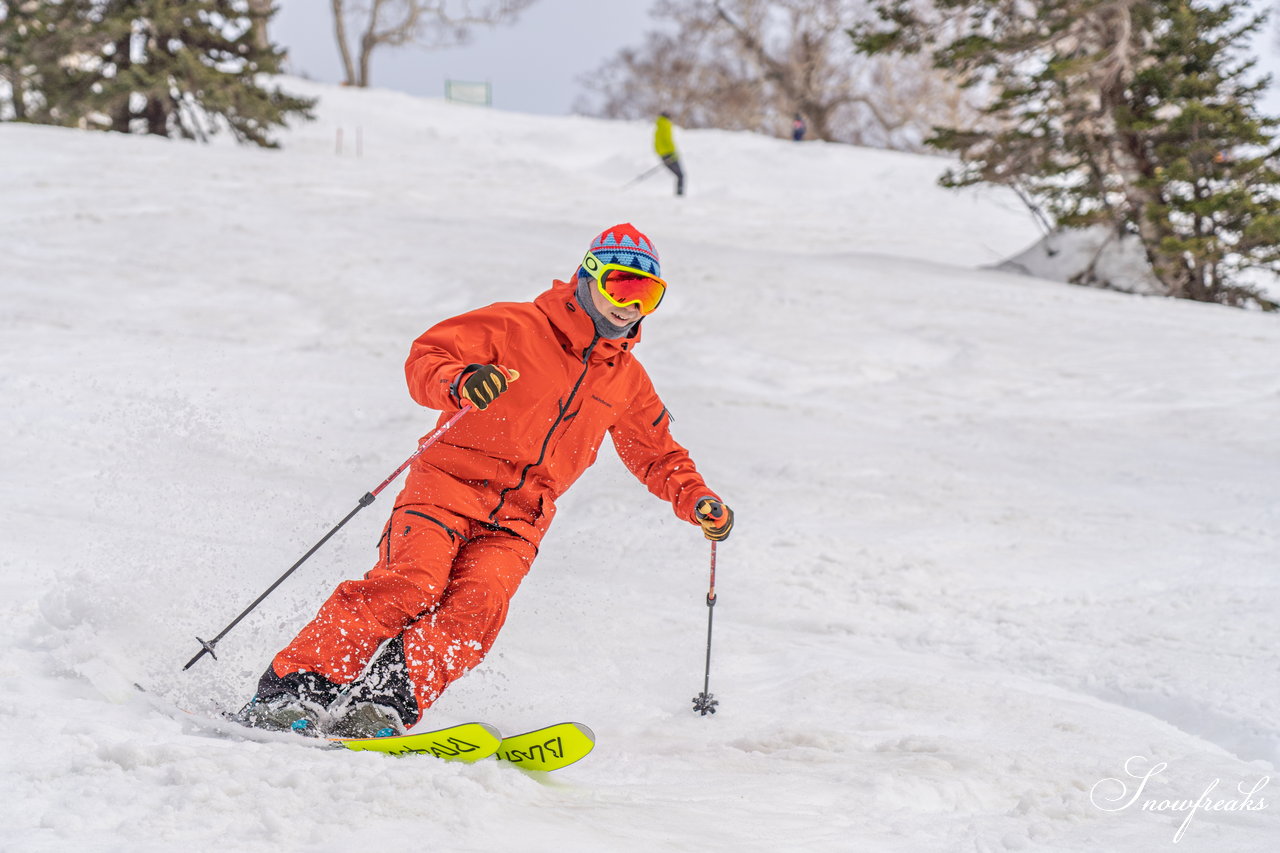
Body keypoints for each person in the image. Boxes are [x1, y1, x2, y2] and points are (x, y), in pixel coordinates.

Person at [236, 223, 734, 738]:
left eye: (647, 294)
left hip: (520, 519)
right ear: (587, 279)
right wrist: (460, 381)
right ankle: (293, 690)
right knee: (411, 583)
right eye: (620, 286)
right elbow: (426, 358)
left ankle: (381, 705)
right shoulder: (513, 327)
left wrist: (696, 498)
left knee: (478, 606)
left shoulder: (627, 379)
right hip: (446, 486)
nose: (630, 305)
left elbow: (658, 453)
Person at [654, 111, 685, 196]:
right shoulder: (667, 125)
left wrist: (660, 153)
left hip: (663, 155)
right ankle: (680, 194)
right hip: (670, 153)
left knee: (678, 175)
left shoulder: (658, 127)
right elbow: (668, 140)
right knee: (681, 175)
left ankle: (679, 193)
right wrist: (674, 152)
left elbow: (656, 143)